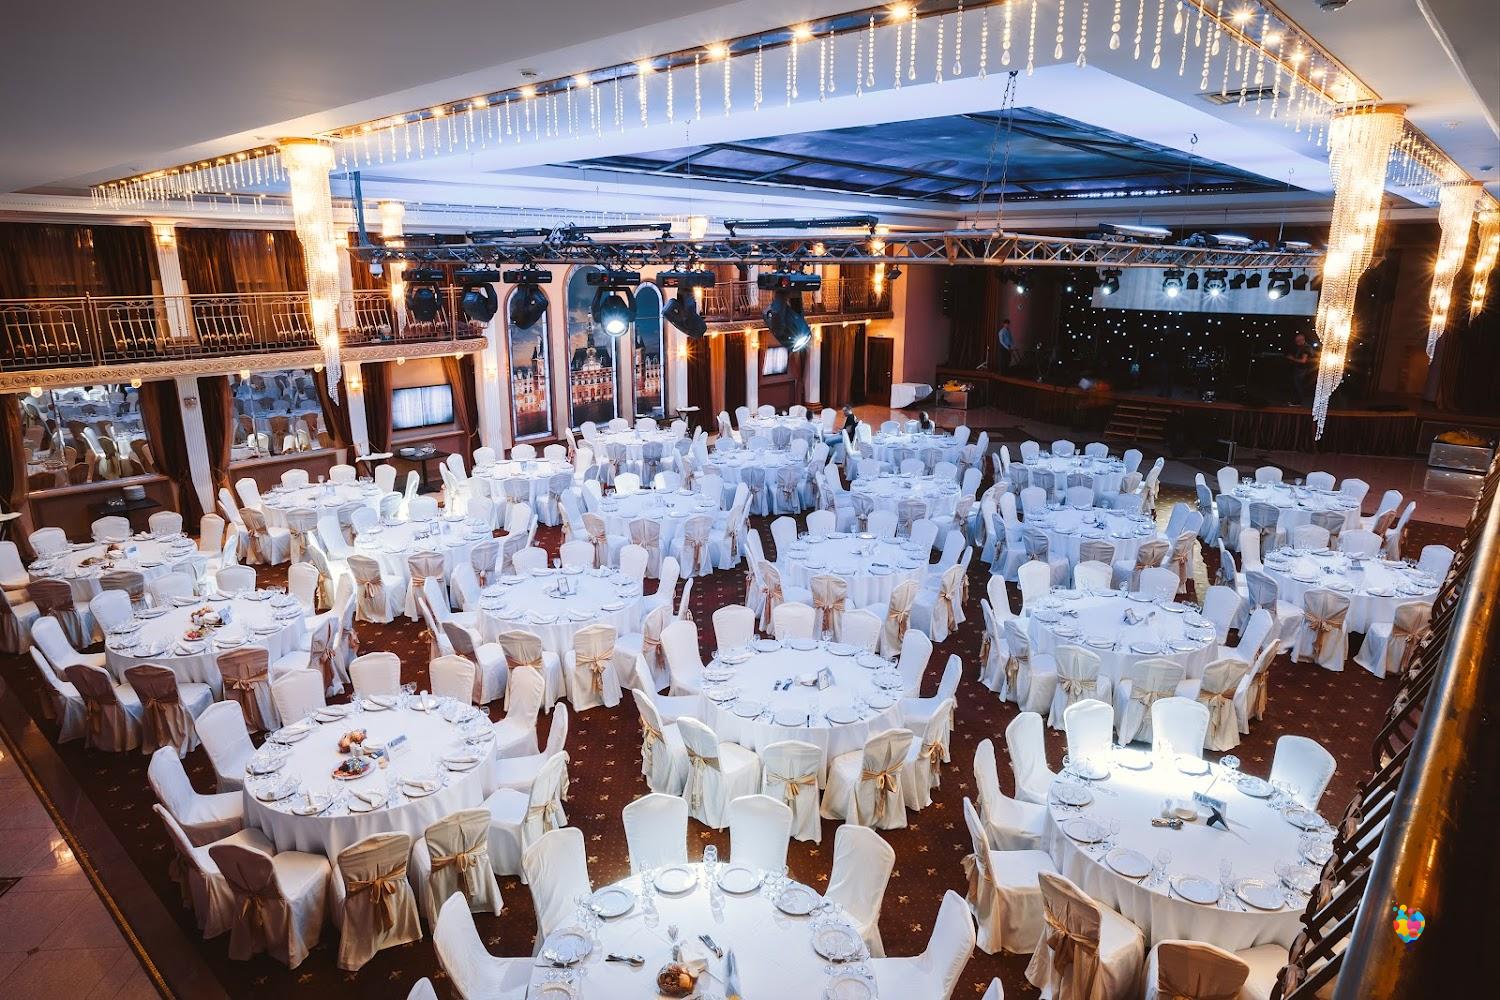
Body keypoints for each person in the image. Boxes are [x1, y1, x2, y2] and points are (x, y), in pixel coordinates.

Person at [1287, 333, 1318, 404]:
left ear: (1301, 340)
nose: (1296, 342)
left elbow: (1303, 361)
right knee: (1298, 385)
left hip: (1302, 370)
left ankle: (1298, 401)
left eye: (1297, 341)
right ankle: (1298, 401)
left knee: (1298, 386)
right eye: (1296, 341)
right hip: (1303, 369)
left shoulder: (1305, 348)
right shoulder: (1304, 347)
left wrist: (1292, 358)